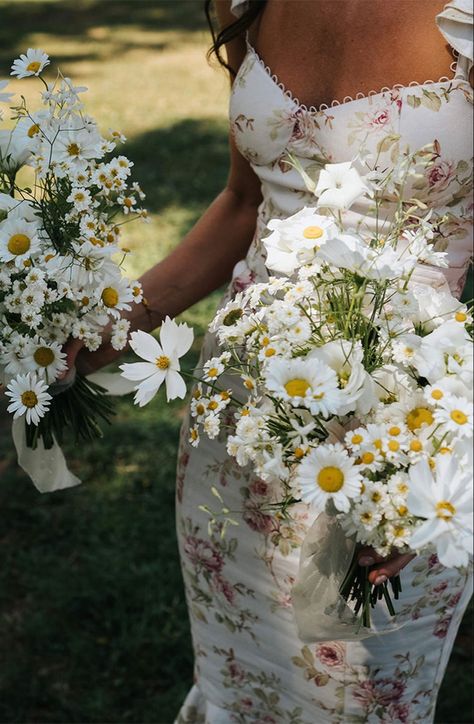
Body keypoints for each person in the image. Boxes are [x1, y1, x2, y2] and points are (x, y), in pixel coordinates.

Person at [66, 1, 473, 721]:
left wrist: (446, 467)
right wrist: (96, 333)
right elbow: (242, 200)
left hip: (404, 440)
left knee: (361, 696)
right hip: (238, 423)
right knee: (242, 679)